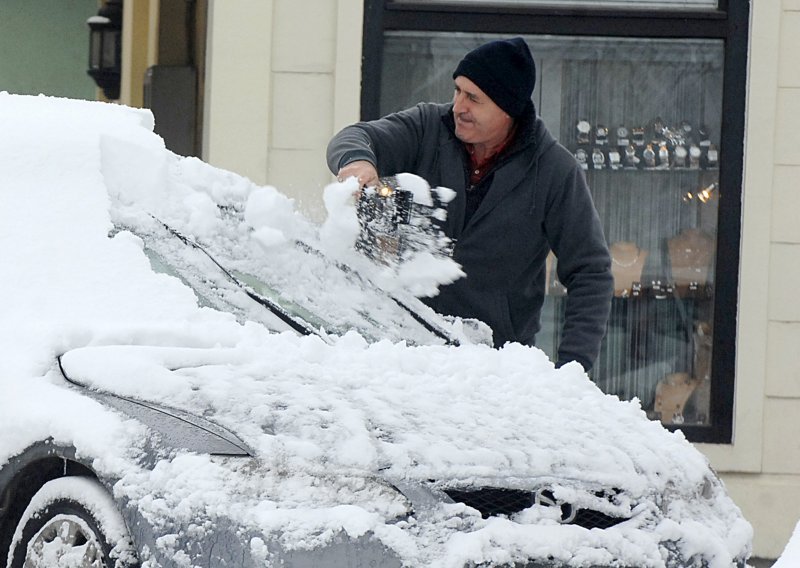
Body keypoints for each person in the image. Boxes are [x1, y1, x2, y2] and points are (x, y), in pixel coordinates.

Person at [326, 37, 613, 371]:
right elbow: (354, 137)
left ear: (508, 108)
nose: (459, 106)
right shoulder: (427, 128)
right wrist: (358, 162)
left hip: (494, 367)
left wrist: (573, 368)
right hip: (399, 353)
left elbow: (590, 272)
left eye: (473, 98)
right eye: (458, 91)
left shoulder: (553, 171)